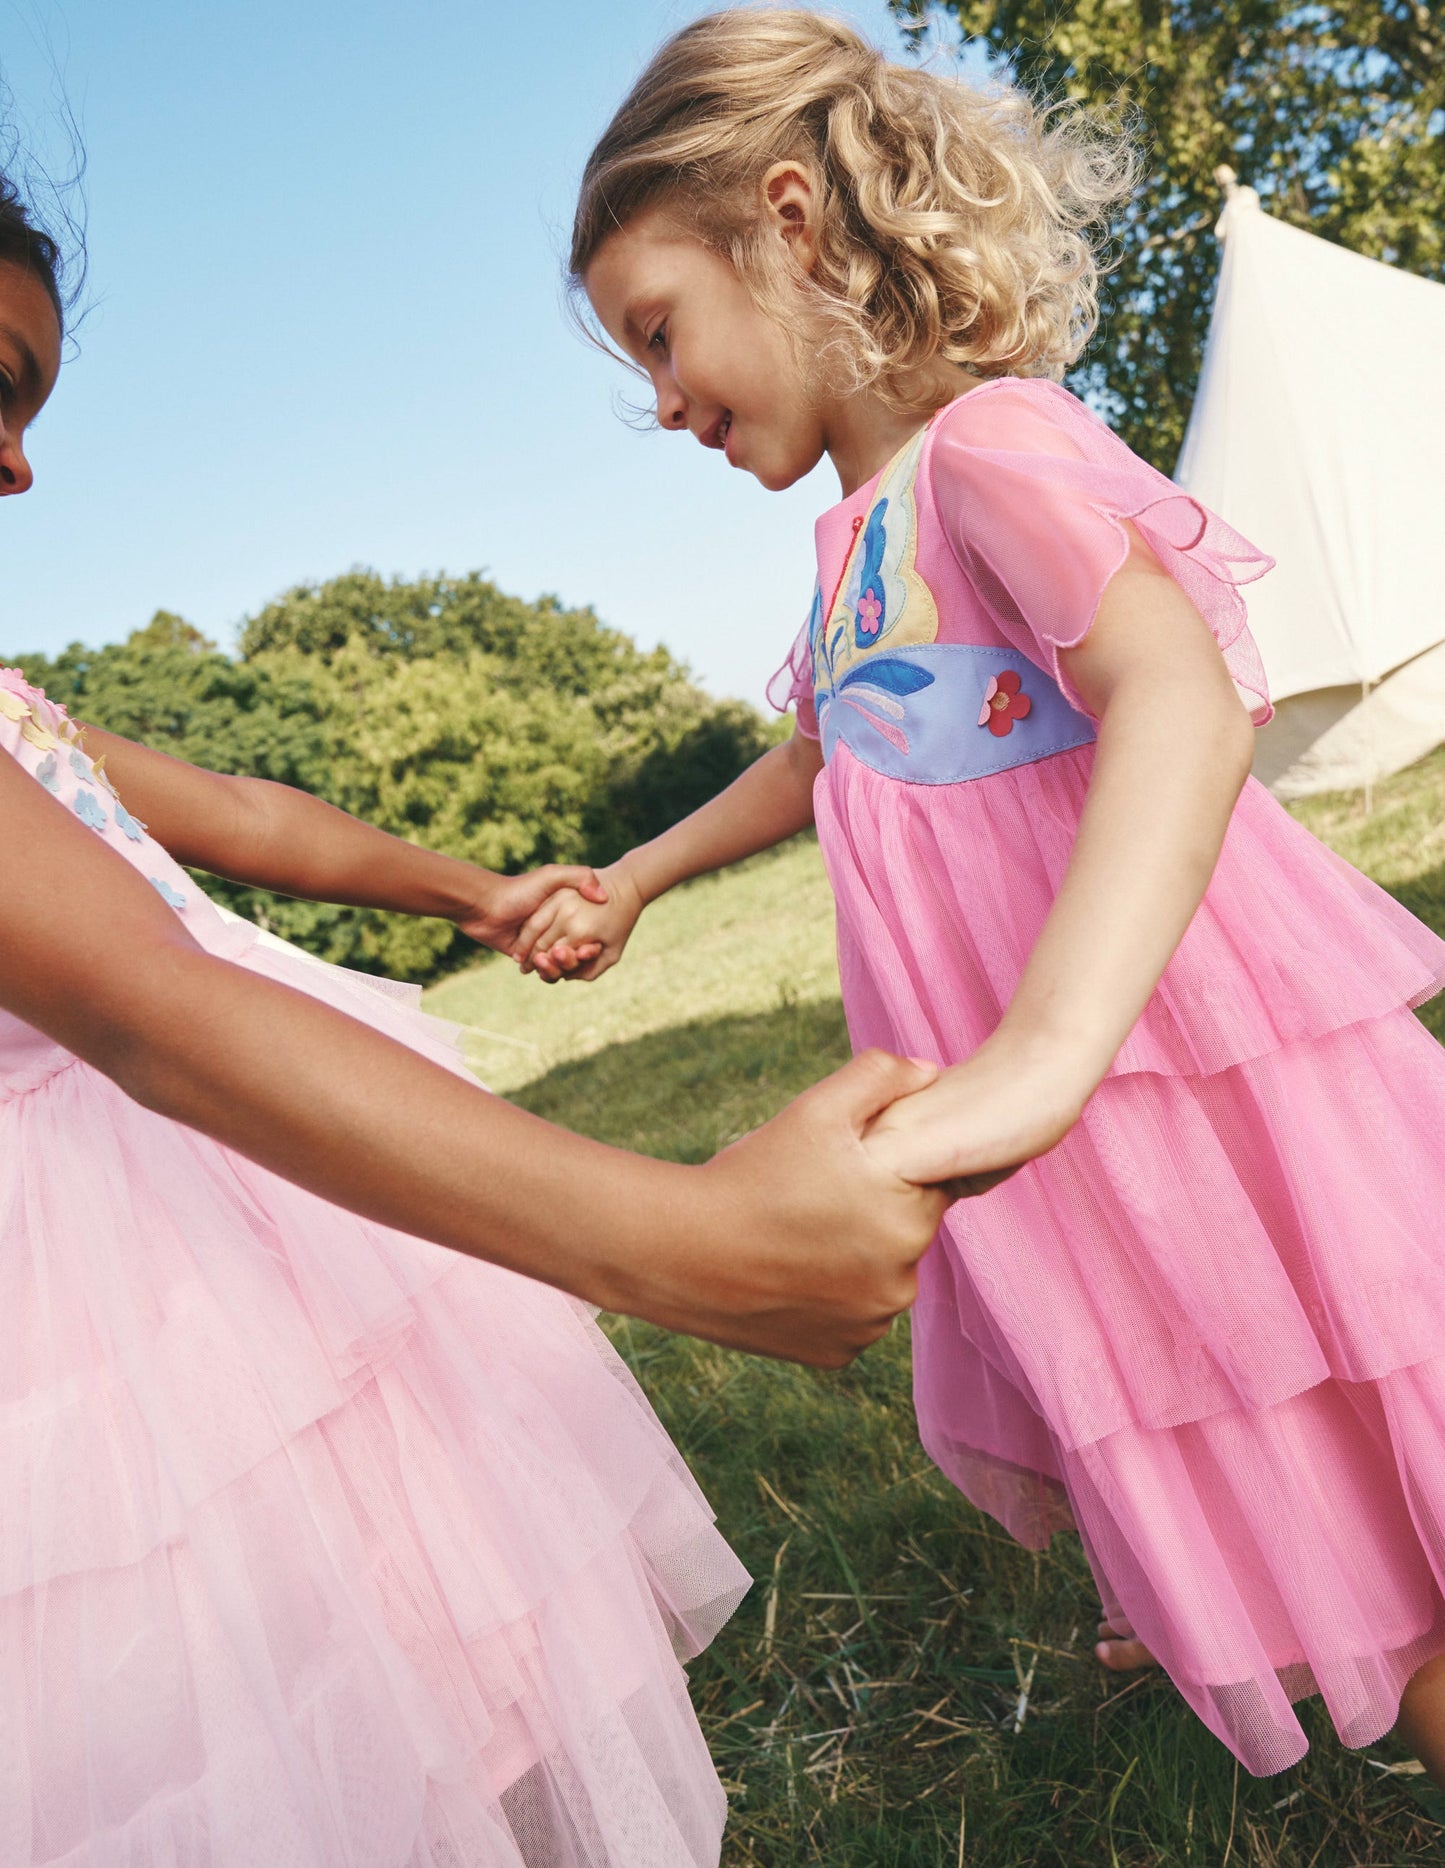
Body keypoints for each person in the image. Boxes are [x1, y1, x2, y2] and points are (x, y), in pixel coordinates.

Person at [518, 6, 1445, 1785]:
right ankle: (1265, 1568)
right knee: (1222, 1396)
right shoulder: (851, 538)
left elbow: (1176, 694)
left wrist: (1044, 1051)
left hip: (1155, 1055)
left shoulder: (992, 449)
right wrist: (633, 875)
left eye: (659, 330)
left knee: (1354, 1423)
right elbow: (821, 753)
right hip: (1051, 1104)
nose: (662, 401)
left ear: (789, 225)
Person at [0, 163, 955, 1865]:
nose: (19, 463)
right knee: (199, 1693)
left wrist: (477, 892)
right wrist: (695, 1243)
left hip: (218, 1207)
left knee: (390, 1628)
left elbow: (240, 813)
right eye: (1, 390)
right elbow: (147, 1008)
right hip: (76, 1288)